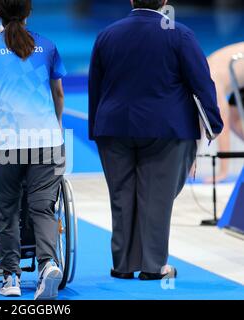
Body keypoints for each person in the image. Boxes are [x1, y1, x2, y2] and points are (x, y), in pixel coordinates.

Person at [89, 0, 223, 280]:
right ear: (164, 2)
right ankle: (152, 266)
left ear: (131, 0)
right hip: (166, 128)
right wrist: (213, 123)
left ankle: (122, 265)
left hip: (113, 128)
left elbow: (96, 86)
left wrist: (95, 128)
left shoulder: (108, 34)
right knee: (157, 199)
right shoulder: (179, 33)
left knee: (121, 197)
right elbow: (201, 82)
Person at [0, 0, 67, 300]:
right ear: (29, 13)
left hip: (6, 143)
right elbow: (58, 92)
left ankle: (11, 276)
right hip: (46, 140)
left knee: (8, 208)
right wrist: (56, 124)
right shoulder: (48, 47)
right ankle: (47, 263)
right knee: (42, 207)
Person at [205, 42, 244, 183]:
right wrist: (190, 168)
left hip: (238, 67)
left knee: (227, 121)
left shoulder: (211, 80)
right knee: (235, 120)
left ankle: (224, 171)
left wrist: (222, 172)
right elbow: (197, 127)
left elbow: (223, 127)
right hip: (238, 75)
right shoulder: (201, 80)